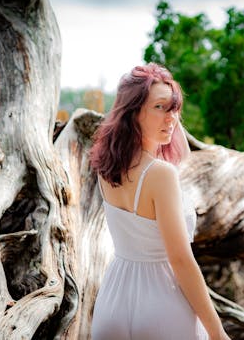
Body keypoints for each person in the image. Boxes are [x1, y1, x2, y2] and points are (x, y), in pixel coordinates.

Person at [89, 63, 230, 340]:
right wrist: (217, 332)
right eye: (160, 107)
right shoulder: (160, 174)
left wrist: (166, 114)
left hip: (113, 300)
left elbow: (181, 151)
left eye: (174, 108)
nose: (172, 119)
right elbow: (180, 259)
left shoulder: (106, 167)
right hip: (161, 303)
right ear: (133, 112)